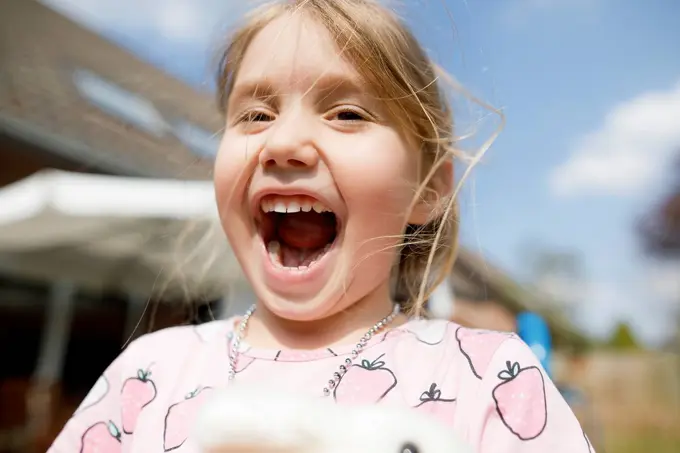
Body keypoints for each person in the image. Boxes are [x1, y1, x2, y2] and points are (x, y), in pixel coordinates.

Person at [49, 1, 593, 452]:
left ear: (427, 188)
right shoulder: (148, 374)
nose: (282, 143)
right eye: (255, 115)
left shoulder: (490, 379)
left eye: (347, 113)